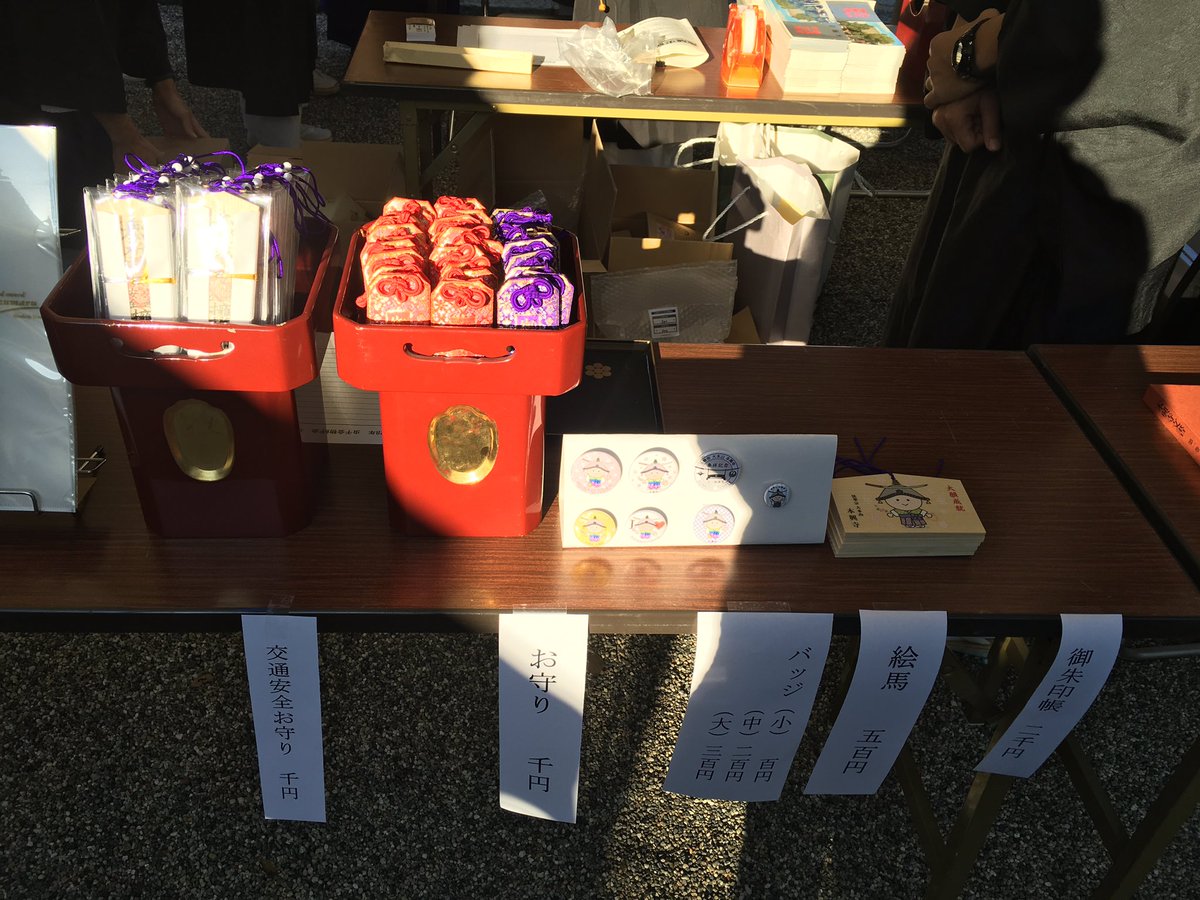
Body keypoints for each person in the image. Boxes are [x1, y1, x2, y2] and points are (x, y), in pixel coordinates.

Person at [885, 0, 1200, 349]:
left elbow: (1130, 27)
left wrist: (972, 50)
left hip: (1109, 175)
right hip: (994, 129)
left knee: (1034, 364)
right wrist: (963, 51)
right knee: (938, 336)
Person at [0, 1, 208, 234]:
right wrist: (123, 134)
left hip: (88, 98)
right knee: (51, 228)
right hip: (34, 96)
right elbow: (61, 19)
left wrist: (161, 81)